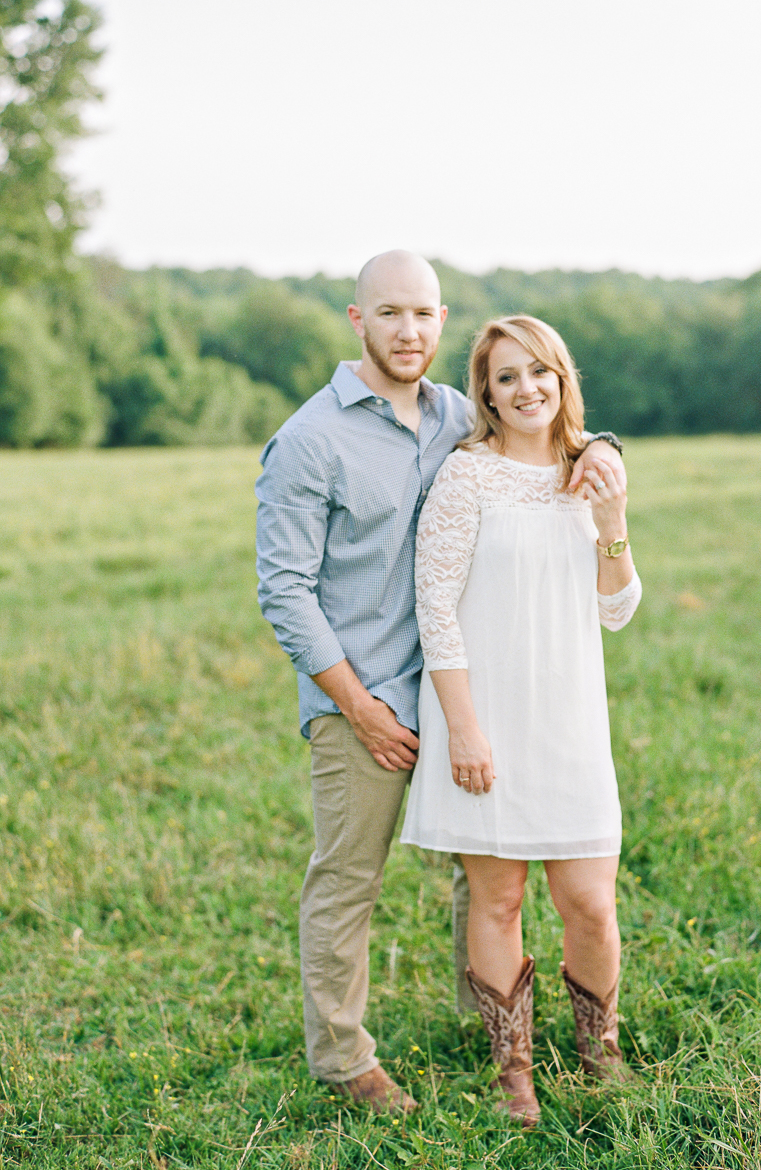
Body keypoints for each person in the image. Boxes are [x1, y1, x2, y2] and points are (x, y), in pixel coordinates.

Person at [256, 252, 625, 1114]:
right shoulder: (312, 439)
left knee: (483, 875)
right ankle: (345, 1059)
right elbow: (284, 591)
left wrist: (606, 463)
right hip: (368, 693)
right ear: (357, 320)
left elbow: (547, 427)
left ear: (440, 318)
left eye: (423, 314)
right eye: (389, 314)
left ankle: (491, 1020)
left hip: (470, 684)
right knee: (349, 878)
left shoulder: (453, 412)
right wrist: (360, 706)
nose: (408, 330)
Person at [401, 314, 641, 1126]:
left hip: (570, 720)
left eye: (540, 371)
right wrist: (462, 729)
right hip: (486, 716)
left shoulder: (591, 470)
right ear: (488, 395)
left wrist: (612, 525)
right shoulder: (467, 475)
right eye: (508, 377)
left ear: (562, 379)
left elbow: (618, 611)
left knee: (591, 904)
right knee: (497, 901)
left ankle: (599, 1053)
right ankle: (514, 1069)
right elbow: (434, 605)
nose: (527, 387)